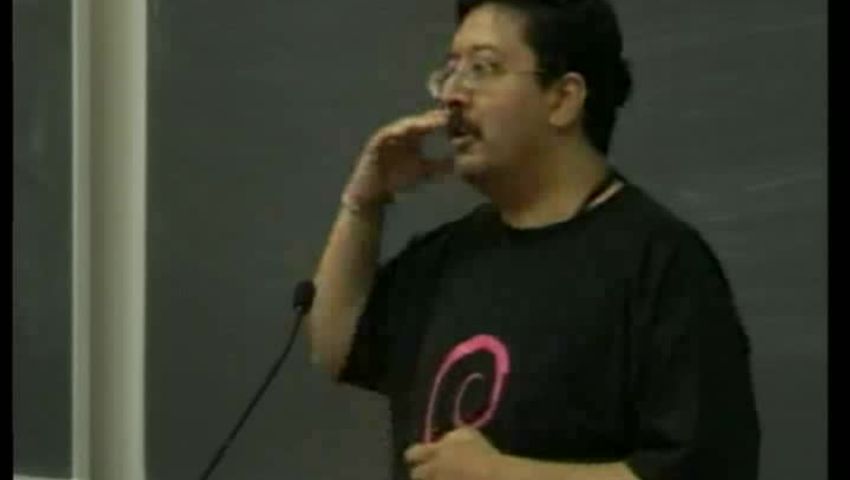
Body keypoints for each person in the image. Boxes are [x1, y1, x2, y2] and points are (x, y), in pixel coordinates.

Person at [304, 0, 761, 479]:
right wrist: (364, 203)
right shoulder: (450, 255)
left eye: (482, 69)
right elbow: (337, 348)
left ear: (563, 98)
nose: (453, 95)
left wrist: (501, 475)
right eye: (451, 71)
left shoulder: (660, 262)